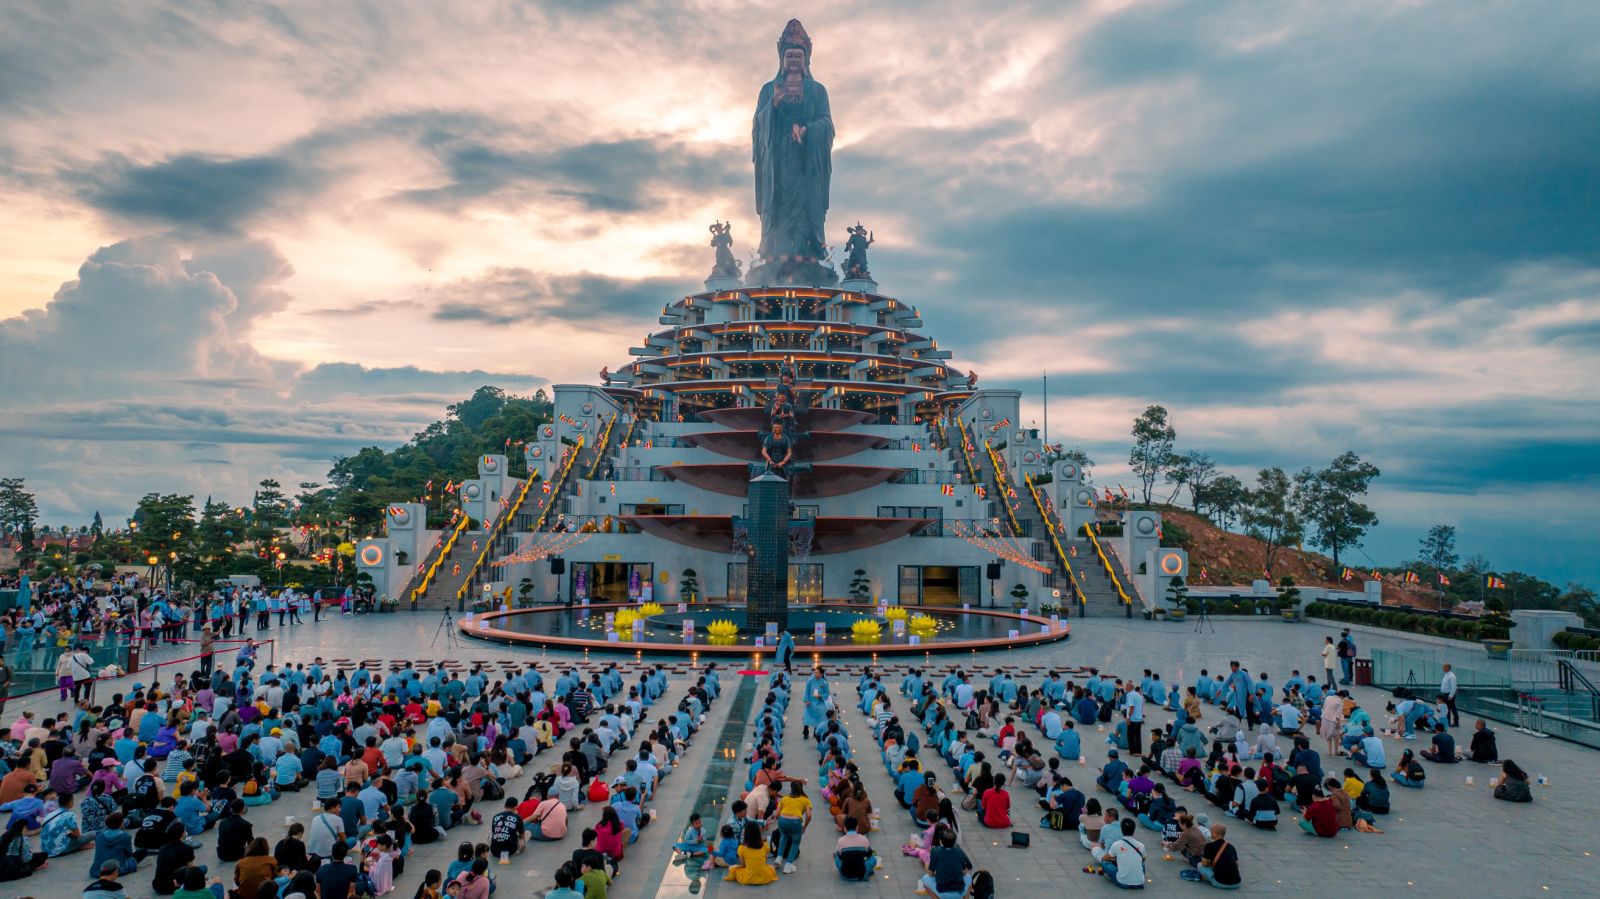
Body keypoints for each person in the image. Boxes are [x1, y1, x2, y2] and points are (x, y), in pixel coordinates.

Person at [1179, 822, 1241, 889]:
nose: (1210, 832)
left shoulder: (1209, 846)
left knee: (1200, 865)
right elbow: (1237, 865)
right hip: (1237, 882)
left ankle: (1205, 877)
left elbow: (1204, 864)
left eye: (1211, 831)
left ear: (1216, 834)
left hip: (1221, 883)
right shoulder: (1231, 847)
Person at [1091, 817, 1146, 890]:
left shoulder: (1117, 844)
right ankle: (1136, 877)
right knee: (1142, 865)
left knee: (1104, 863)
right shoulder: (1141, 845)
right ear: (1134, 830)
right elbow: (1142, 860)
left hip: (1122, 882)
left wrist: (1116, 860)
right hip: (1139, 883)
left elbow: (1104, 858)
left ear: (1122, 830)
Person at [917, 827, 971, 898]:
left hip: (942, 892)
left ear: (941, 841)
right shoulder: (960, 852)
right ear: (954, 841)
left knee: (925, 878)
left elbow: (930, 873)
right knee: (969, 877)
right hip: (959, 892)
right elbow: (965, 871)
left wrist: (938, 872)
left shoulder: (935, 852)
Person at [773, 780, 811, 874]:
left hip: (782, 820)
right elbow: (809, 815)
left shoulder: (785, 798)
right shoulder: (806, 800)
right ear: (801, 788)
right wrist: (805, 826)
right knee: (795, 842)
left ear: (791, 788)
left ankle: (779, 858)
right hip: (795, 822)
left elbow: (776, 814)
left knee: (784, 836)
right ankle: (788, 865)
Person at [725, 820, 779, 885]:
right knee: (770, 867)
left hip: (748, 878)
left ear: (746, 834)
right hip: (764, 877)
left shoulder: (741, 848)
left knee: (732, 868)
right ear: (758, 833)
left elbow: (743, 865)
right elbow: (765, 862)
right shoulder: (765, 845)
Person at [834, 815, 876, 881]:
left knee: (836, 857)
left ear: (845, 828)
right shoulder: (864, 839)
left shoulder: (840, 840)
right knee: (873, 859)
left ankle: (844, 873)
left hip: (846, 875)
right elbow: (869, 854)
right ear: (857, 828)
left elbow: (840, 857)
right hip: (861, 873)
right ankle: (866, 873)